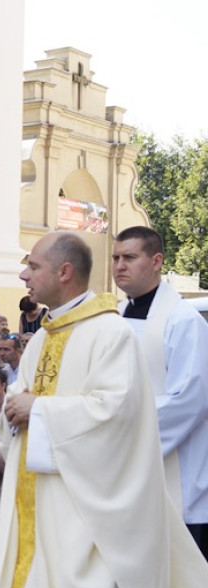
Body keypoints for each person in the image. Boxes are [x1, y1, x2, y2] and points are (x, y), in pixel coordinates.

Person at [0, 231, 208, 588]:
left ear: (64, 272)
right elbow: (23, 408)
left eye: (33, 265)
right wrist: (17, 411)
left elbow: (119, 416)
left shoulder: (110, 334)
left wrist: (39, 411)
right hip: (41, 513)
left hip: (93, 517)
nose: (23, 274)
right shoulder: (43, 336)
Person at [111, 226, 208, 562]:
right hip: (127, 468)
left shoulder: (183, 321)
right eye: (116, 258)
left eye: (129, 257)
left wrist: (121, 433)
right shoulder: (115, 317)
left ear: (156, 261)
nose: (120, 265)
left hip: (176, 473)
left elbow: (189, 400)